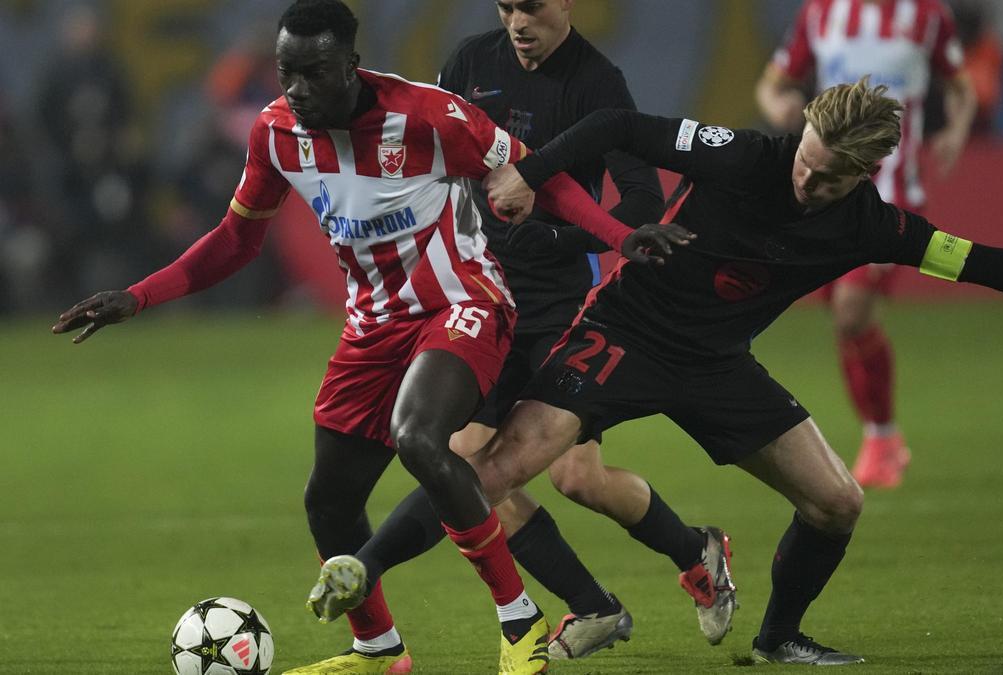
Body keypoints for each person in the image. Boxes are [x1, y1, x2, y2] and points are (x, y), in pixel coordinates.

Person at [50, 2, 688, 674]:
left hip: (463, 302)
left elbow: (541, 176)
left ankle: (519, 620)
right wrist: (138, 295)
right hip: (373, 326)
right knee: (328, 500)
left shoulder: (428, 115)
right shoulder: (275, 133)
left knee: (420, 436)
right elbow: (237, 239)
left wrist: (621, 237)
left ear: (351, 67)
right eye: (286, 72)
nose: (295, 89)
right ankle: (379, 650)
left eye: (313, 73)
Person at [467, 77, 1003, 665]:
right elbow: (619, 126)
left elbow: (985, 262)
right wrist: (530, 173)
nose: (804, 177)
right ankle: (552, 602)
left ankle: (778, 636)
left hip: (717, 365)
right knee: (496, 475)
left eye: (824, 176)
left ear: (865, 174)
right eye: (806, 158)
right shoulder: (744, 153)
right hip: (626, 331)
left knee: (838, 502)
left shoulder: (872, 226)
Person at [287, 0, 737, 668]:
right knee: (472, 466)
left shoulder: (597, 83)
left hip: (557, 298)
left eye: (530, 7)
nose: (517, 21)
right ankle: (591, 604)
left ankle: (695, 548)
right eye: (505, 7)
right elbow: (432, 150)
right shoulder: (469, 63)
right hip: (472, 293)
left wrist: (559, 234)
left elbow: (639, 196)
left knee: (578, 477)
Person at [756, 0, 978, 488]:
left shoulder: (927, 14)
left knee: (851, 310)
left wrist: (956, 131)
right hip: (827, 192)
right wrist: (781, 109)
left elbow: (962, 86)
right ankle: (883, 437)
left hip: (891, 192)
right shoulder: (820, 13)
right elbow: (773, 83)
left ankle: (881, 437)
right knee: (845, 316)